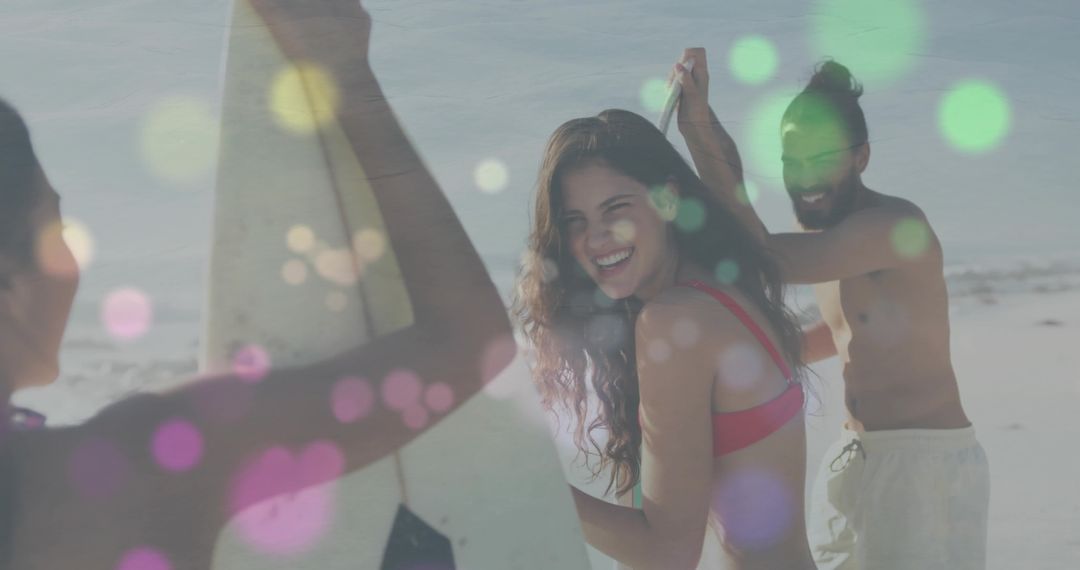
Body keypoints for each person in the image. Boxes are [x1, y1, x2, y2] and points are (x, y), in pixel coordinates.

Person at [0, 1, 513, 568]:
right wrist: (344, 74)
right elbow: (466, 342)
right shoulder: (142, 467)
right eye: (55, 226)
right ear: (9, 280)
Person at [674, 47, 990, 569]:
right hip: (851, 455)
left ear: (861, 156)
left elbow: (761, 254)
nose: (806, 175)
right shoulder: (820, 231)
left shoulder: (895, 227)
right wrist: (701, 123)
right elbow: (844, 327)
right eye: (792, 159)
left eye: (822, 156)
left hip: (924, 462)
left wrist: (696, 132)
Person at [514, 108, 816, 569]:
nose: (596, 238)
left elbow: (667, 554)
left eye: (616, 209)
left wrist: (526, 472)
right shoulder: (725, 291)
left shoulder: (675, 322)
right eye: (576, 220)